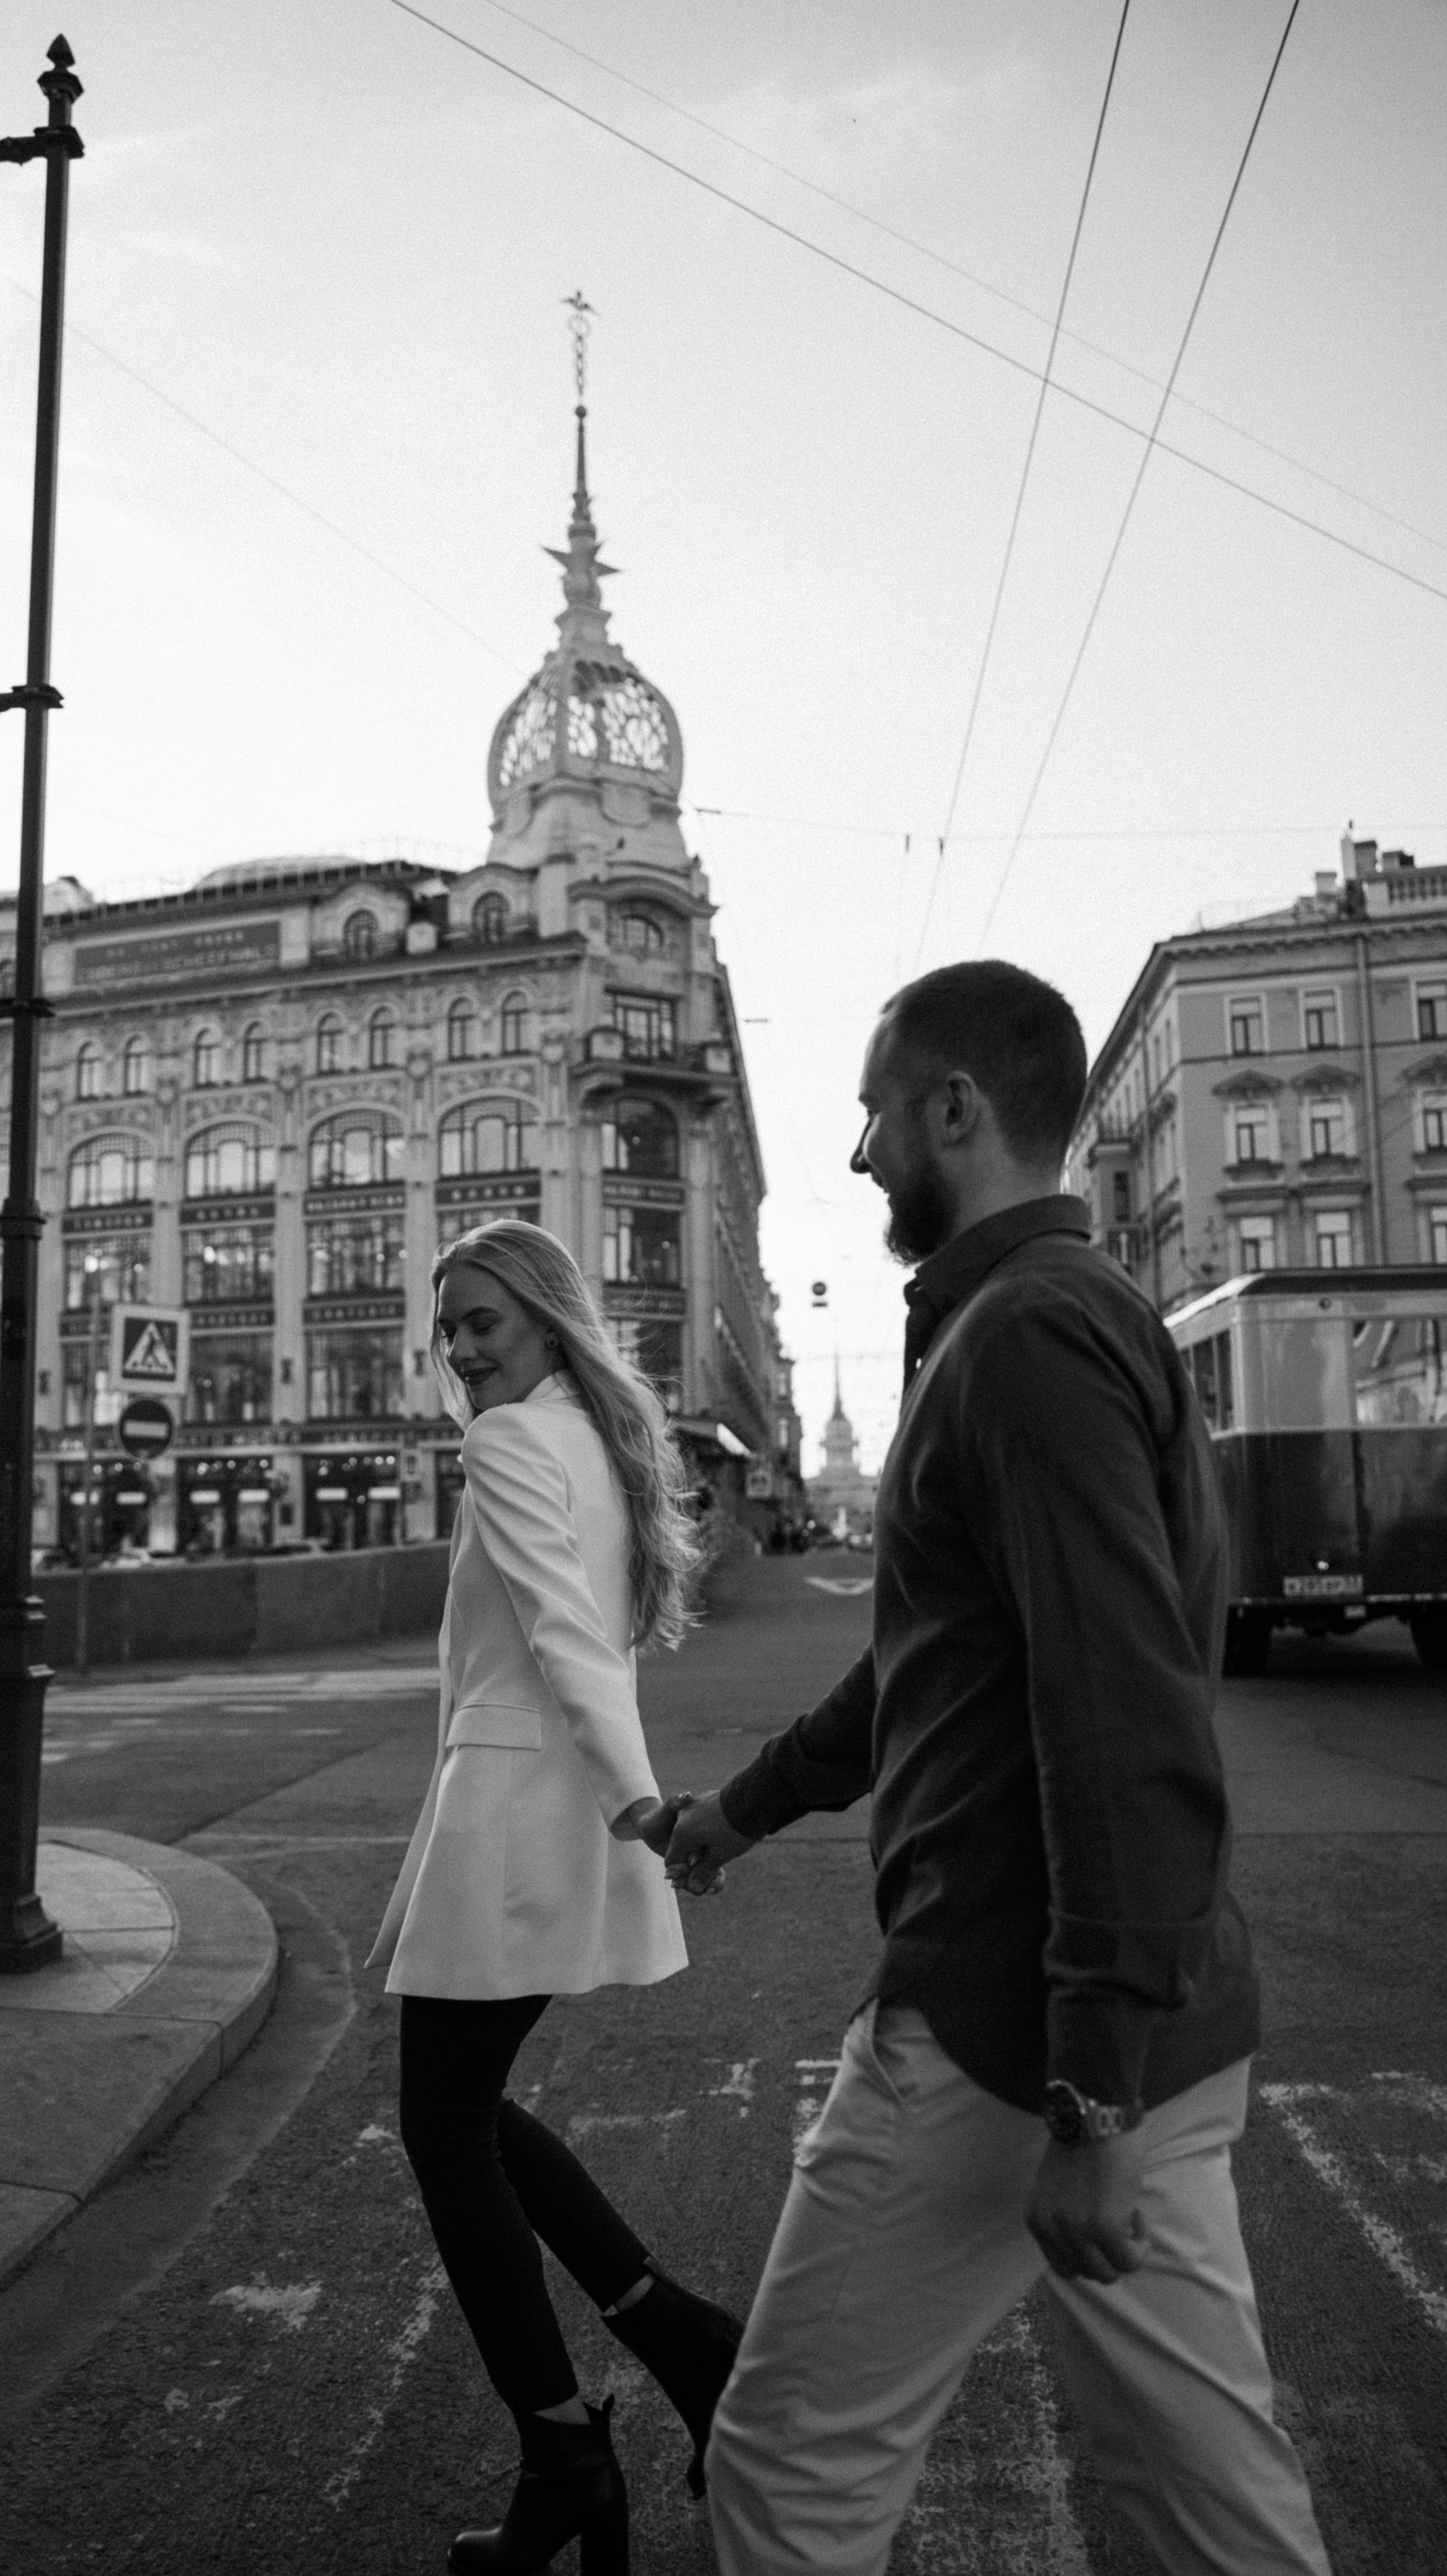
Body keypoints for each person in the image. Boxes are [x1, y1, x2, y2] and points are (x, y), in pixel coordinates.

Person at [664, 961, 1330, 2576]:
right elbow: (932, 1666)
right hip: (1139, 2020)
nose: (858, 1155)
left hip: (1004, 2036)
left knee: (786, 2470)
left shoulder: (1021, 1339)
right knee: (1203, 2498)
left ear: (953, 1110)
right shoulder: (1045, 1322)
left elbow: (1118, 1718)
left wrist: (1085, 2084)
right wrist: (739, 1812)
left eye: (874, 1115)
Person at [368, 1217, 742, 2574]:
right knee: (459, 2108)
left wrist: (642, 1805)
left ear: (542, 1318)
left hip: (517, 1816)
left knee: (439, 2123)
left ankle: (565, 2446)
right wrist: (624, 1799)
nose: (459, 1349)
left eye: (484, 1322)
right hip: (551, 1804)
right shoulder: (597, 1435)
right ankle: (676, 2342)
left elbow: (566, 1642)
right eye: (449, 1325)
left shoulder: (511, 1442)